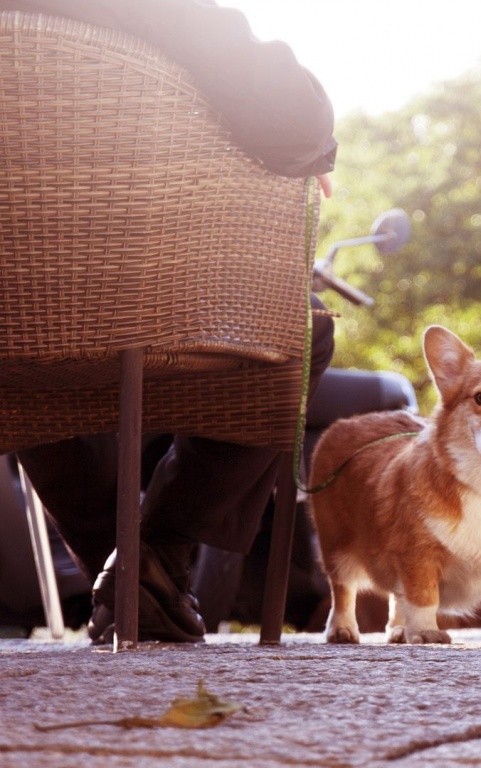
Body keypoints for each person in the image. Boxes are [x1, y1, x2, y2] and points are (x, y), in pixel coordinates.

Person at [1, 0, 339, 643]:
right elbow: (290, 120)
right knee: (304, 331)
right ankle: (153, 557)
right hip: (149, 296)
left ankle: (121, 566)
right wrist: (316, 147)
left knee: (25, 338)